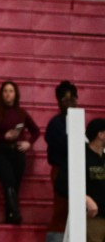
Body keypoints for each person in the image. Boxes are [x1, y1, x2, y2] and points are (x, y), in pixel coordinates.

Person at [0, 80, 41, 225]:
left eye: (11, 91)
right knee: (8, 181)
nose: (8, 94)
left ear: (15, 94)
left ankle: (10, 215)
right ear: (1, 94)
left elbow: (36, 131)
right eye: (5, 91)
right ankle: (15, 212)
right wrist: (3, 136)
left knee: (15, 184)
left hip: (17, 152)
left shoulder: (21, 113)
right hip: (0, 152)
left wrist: (28, 143)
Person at [45, 80, 78, 233]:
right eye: (66, 99)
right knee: (62, 208)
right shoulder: (55, 124)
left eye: (73, 99)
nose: (70, 103)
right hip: (61, 171)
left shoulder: (78, 122)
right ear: (59, 102)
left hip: (76, 170)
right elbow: (65, 145)